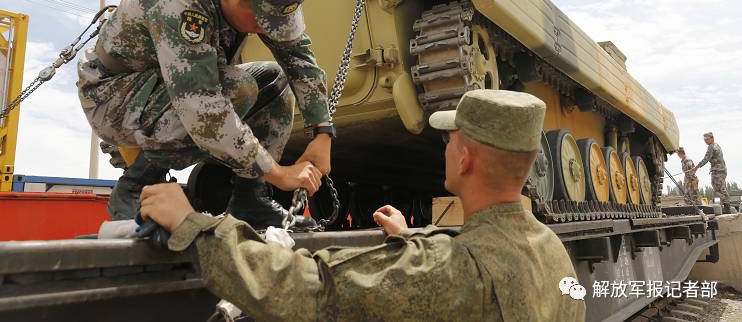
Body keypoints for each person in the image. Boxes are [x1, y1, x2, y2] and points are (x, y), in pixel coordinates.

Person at [139, 89, 585, 321]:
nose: (446, 150)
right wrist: (413, 242)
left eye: (450, 141)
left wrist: (194, 227)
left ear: (465, 158)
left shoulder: (451, 273)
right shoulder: (553, 254)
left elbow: (312, 290)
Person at [77, 0, 335, 229]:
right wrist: (278, 173)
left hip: (171, 88)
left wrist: (323, 131)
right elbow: (203, 108)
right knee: (238, 90)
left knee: (275, 81)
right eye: (263, 21)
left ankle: (250, 200)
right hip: (113, 97)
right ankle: (137, 186)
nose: (270, 30)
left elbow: (298, 58)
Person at [693, 132, 731, 213]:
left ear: (712, 138)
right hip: (721, 169)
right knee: (721, 188)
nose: (705, 141)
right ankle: (726, 206)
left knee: (719, 189)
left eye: (707, 139)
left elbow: (706, 158)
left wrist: (697, 167)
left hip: (717, 170)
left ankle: (727, 207)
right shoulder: (717, 145)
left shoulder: (711, 147)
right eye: (705, 140)